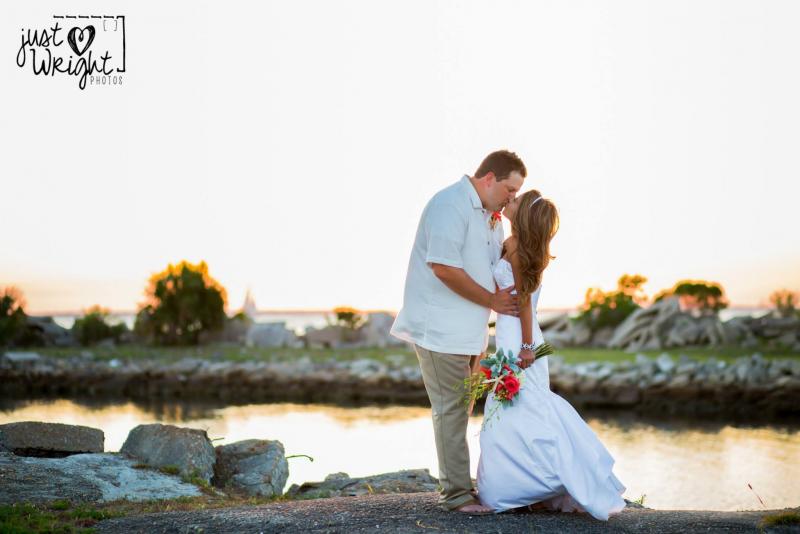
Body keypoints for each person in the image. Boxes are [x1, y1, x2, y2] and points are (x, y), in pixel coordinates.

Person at [475, 189, 627, 520]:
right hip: (510, 336)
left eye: (515, 201)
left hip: (520, 341)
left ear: (524, 215)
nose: (509, 201)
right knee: (517, 411)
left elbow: (526, 305)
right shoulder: (513, 244)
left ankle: (535, 483)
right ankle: (525, 485)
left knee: (518, 410)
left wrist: (527, 347)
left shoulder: (517, 250)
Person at [391, 149, 526, 514]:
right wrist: (492, 301)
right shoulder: (448, 204)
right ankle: (456, 496)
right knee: (450, 411)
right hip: (439, 330)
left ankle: (460, 485)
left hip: (471, 333)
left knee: (461, 411)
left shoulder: (492, 218)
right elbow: (443, 268)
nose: (511, 198)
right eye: (510, 190)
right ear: (488, 179)